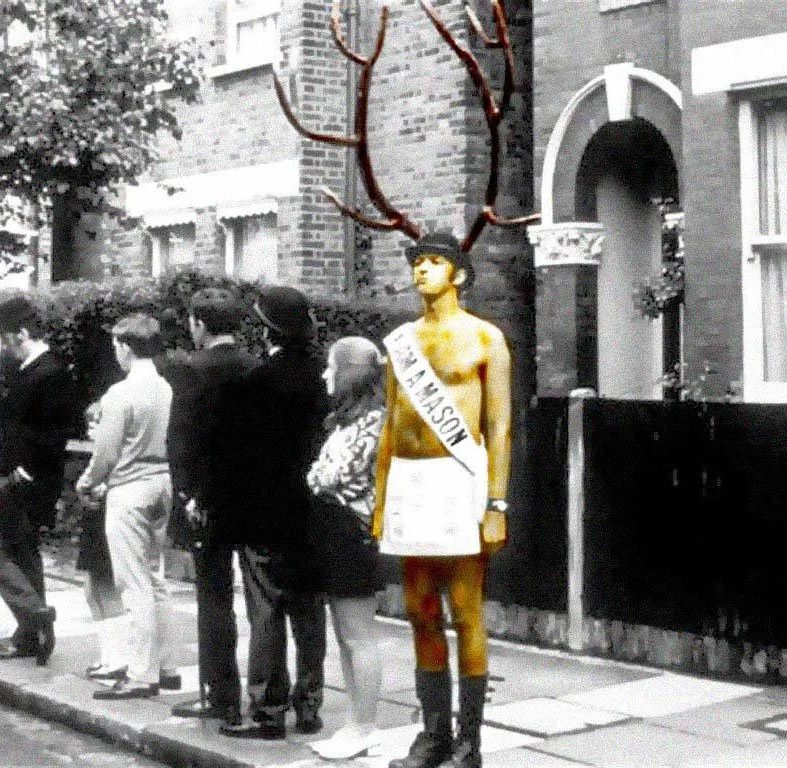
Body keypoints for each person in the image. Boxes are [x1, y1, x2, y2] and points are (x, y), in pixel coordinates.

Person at [373, 232, 511, 768]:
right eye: (418, 262)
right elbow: (390, 423)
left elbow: (498, 428)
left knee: (466, 611)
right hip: (409, 481)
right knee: (419, 610)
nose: (422, 270)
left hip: (457, 478)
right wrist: (381, 500)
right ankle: (432, 735)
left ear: (459, 274)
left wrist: (496, 505)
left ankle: (469, 743)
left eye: (434, 261)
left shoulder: (485, 338)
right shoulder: (401, 342)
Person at [221, 285, 327, 740]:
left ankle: (267, 709)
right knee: (309, 612)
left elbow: (237, 458)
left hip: (264, 515)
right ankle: (309, 704)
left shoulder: (254, 383)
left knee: (266, 613)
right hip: (313, 514)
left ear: (267, 330)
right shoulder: (323, 378)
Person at [165, 288, 258, 729]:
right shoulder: (255, 366)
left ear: (199, 324)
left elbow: (183, 439)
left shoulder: (191, 370)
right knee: (262, 602)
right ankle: (269, 693)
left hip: (207, 500)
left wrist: (188, 494)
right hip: (251, 496)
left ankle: (220, 694)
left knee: (214, 598)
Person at [75, 314, 178, 700]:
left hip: (130, 487)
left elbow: (106, 452)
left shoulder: (119, 394)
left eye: (116, 346)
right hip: (162, 482)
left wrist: (87, 481)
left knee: (132, 583)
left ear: (126, 347)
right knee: (155, 578)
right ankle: (165, 666)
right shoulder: (167, 388)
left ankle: (140, 673)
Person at [306, 337, 386, 760]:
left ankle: (366, 726)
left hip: (352, 533)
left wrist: (318, 474)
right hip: (335, 530)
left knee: (359, 636)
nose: (325, 375)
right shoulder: (347, 421)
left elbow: (328, 475)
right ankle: (356, 722)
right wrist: (318, 474)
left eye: (331, 368)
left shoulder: (372, 422)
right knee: (345, 636)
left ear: (349, 374)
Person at [0, 296, 74, 666]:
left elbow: (54, 434)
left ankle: (34, 619)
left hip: (29, 480)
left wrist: (24, 471)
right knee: (21, 553)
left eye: (5, 339)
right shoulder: (29, 370)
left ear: (22, 334)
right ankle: (33, 627)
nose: (3, 347)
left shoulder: (51, 373)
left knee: (20, 551)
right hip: (17, 478)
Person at [77, 402, 128, 681]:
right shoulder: (99, 455)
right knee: (91, 590)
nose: (90, 429)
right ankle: (108, 655)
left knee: (105, 589)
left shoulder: (114, 456)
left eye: (96, 423)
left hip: (105, 525)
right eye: (88, 424)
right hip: (94, 525)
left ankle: (117, 658)